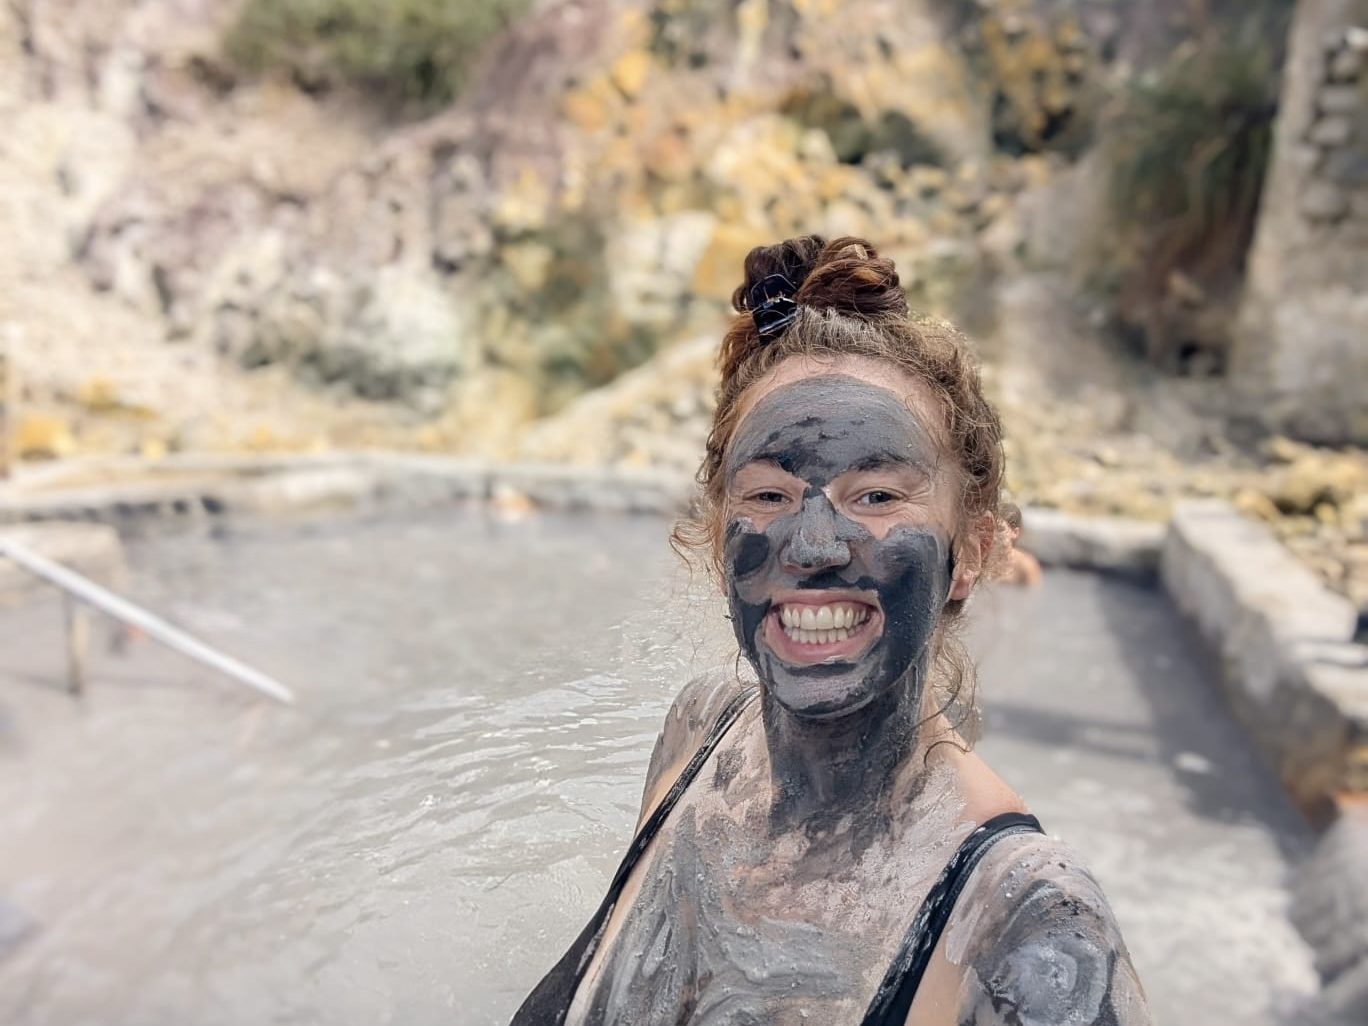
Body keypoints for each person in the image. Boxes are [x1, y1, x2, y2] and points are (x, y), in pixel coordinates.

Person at [511, 236, 1151, 1026]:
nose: (812, 545)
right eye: (771, 495)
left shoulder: (1031, 937)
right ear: (720, 538)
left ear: (971, 552)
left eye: (877, 496)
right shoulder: (700, 732)